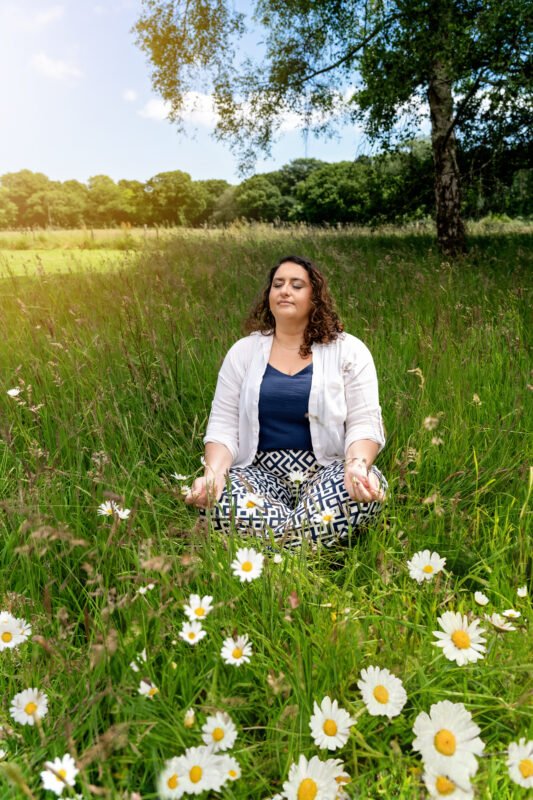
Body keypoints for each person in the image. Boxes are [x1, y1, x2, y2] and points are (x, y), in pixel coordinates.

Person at [185, 255, 387, 547]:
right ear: (268, 297)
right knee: (221, 500)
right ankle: (306, 549)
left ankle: (270, 551)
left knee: (362, 492)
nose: (285, 290)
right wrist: (213, 476)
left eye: (296, 285)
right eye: (278, 284)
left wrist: (356, 466)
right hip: (259, 472)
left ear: (314, 297)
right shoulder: (243, 352)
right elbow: (223, 425)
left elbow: (364, 422)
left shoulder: (349, 351)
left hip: (327, 469)